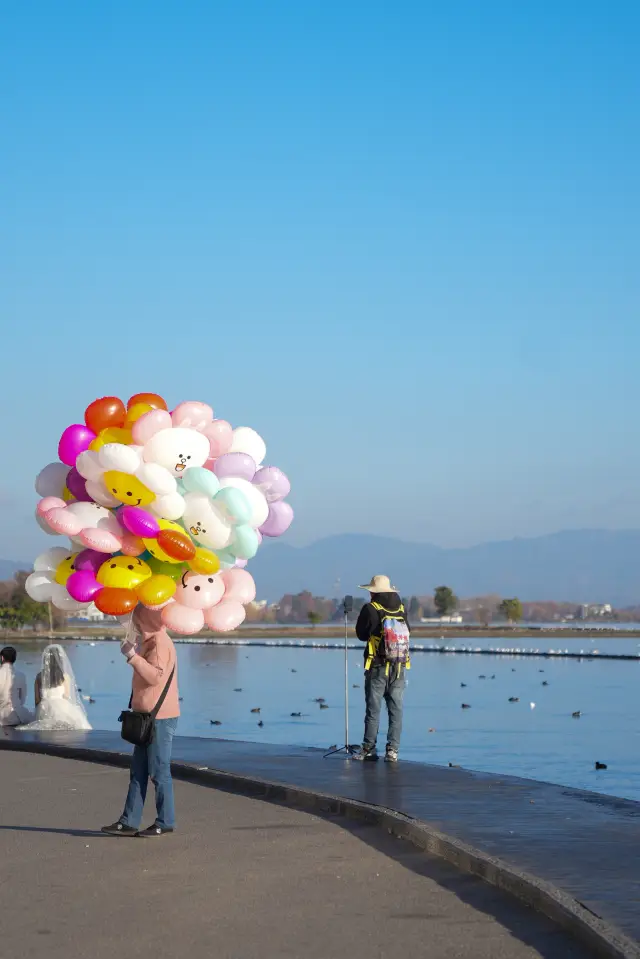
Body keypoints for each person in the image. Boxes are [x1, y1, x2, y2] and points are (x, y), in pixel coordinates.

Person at [102, 606, 179, 839]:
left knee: (159, 771)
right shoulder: (149, 641)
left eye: (136, 620)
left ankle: (165, 821)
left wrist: (132, 657)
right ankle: (128, 821)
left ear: (146, 619)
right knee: (138, 772)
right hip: (146, 717)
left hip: (160, 718)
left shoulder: (159, 643)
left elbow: (156, 676)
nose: (133, 626)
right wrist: (135, 652)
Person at [354, 575, 410, 763]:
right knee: (396, 710)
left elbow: (361, 635)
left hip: (377, 666)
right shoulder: (401, 609)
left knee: (373, 709)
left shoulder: (370, 608)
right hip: (400, 666)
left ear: (373, 592)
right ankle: (393, 751)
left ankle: (369, 749)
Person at [18, 644, 91, 731]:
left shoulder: (39, 676)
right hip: (61, 707)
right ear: (59, 660)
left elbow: (37, 700)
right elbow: (67, 696)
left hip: (44, 709)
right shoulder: (64, 677)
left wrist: (39, 711)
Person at [0, 646, 33, 726]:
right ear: (14, 659)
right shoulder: (21, 675)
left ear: (2, 658)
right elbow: (22, 699)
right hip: (16, 715)